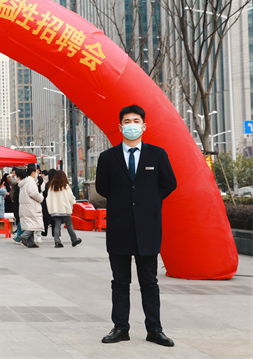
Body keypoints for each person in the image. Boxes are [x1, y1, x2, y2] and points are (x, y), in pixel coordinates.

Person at [95, 104, 177, 347]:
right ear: (120, 127)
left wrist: (149, 202)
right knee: (120, 282)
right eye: (127, 121)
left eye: (136, 121)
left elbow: (169, 183)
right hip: (119, 228)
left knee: (149, 282)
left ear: (144, 125)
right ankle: (120, 328)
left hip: (148, 229)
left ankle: (155, 330)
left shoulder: (157, 155)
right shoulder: (107, 157)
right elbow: (102, 187)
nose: (131, 125)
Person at [46, 170, 80, 248]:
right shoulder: (65, 186)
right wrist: (73, 202)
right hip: (65, 209)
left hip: (55, 210)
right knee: (69, 225)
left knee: (57, 225)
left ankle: (57, 242)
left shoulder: (52, 187)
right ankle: (74, 240)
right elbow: (70, 197)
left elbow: (48, 199)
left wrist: (51, 208)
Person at [17, 166, 44, 248]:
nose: (36, 174)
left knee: (30, 224)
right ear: (33, 173)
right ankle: (24, 236)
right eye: (36, 172)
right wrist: (41, 198)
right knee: (33, 224)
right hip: (31, 206)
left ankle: (31, 242)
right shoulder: (30, 182)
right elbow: (33, 193)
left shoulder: (24, 182)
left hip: (25, 206)